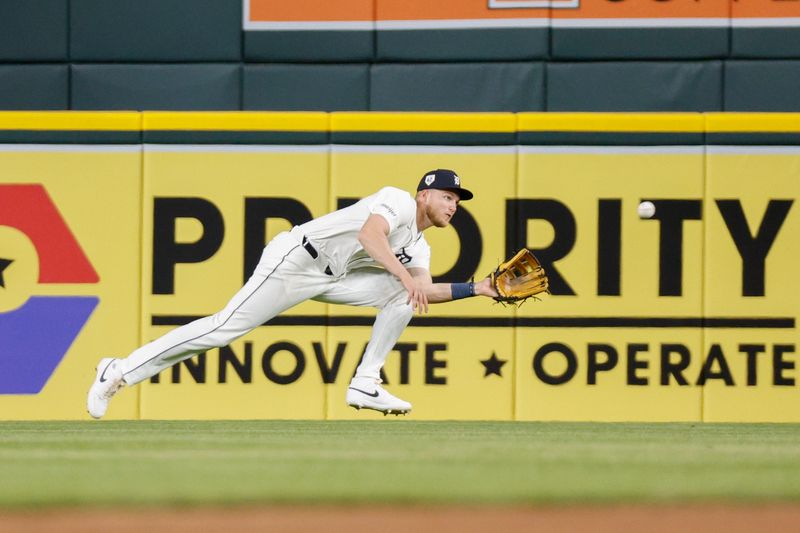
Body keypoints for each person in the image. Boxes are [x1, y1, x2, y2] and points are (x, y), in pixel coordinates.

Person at [87, 169, 499, 418]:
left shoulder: (420, 246)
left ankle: (365, 382)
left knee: (403, 295)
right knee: (223, 329)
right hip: (295, 259)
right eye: (447, 196)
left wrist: (477, 288)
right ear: (424, 194)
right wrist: (405, 277)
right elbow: (369, 235)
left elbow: (422, 290)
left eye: (457, 201)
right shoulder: (399, 201)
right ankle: (120, 371)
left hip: (332, 276)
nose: (453, 205)